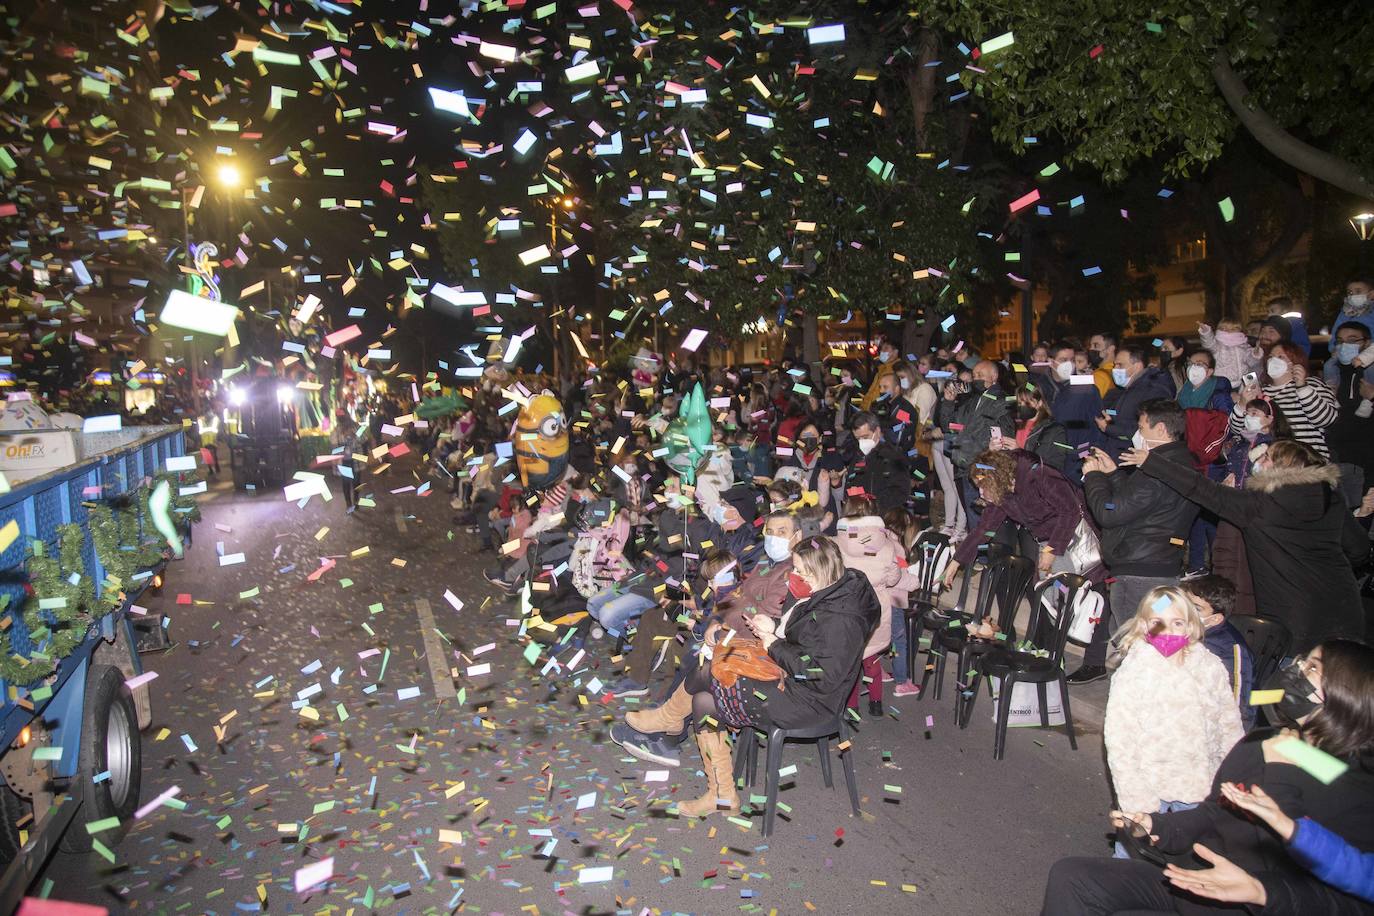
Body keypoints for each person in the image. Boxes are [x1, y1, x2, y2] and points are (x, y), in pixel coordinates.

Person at [1042, 639, 1374, 915]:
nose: (1296, 670)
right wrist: (1159, 827)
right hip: (1195, 880)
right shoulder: (1267, 740)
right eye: (1303, 661)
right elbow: (1217, 811)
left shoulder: (1353, 789)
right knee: (1073, 877)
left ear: (1346, 699)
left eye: (1313, 669)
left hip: (1254, 903)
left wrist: (1261, 892)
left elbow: (1347, 901)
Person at [672, 538, 880, 817]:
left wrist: (773, 644)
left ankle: (671, 724)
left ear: (816, 571)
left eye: (798, 570)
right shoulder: (830, 590)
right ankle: (720, 793)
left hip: (808, 702)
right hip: (791, 681)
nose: (792, 575)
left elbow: (822, 675)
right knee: (704, 697)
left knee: (708, 682)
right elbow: (807, 641)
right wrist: (774, 630)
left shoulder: (842, 618)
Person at [1123, 437, 1368, 651]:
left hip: (1293, 619)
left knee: (1280, 695)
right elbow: (1359, 550)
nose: (1260, 460)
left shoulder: (1260, 505)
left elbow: (1203, 489)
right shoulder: (1332, 500)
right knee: (1334, 695)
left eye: (1269, 457)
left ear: (1284, 468)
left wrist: (1151, 461)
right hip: (1345, 609)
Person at [609, 511, 805, 765]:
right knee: (692, 647)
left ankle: (667, 732)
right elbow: (737, 596)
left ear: (797, 536)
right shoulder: (767, 562)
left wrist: (720, 627)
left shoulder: (792, 572)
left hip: (755, 646)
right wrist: (715, 621)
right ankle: (665, 727)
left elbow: (761, 618)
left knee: (696, 656)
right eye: (770, 532)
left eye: (782, 532)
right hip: (733, 632)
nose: (774, 538)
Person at [1071, 399, 1200, 684]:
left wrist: (1093, 478)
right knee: (1157, 643)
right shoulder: (1176, 464)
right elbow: (1137, 505)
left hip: (1138, 569)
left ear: (1161, 429)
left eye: (1141, 427)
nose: (1137, 433)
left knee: (1134, 648)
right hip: (1160, 562)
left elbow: (1110, 512)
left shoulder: (1158, 469)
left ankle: (1139, 709)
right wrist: (1113, 475)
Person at [1102, 586, 1243, 845]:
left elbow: (1229, 722)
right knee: (1135, 857)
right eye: (1158, 622)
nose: (1167, 630)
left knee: (1189, 855)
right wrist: (1136, 801)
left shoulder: (1210, 667)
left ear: (1191, 626)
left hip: (1200, 781)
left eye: (1177, 622)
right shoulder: (1135, 671)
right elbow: (1120, 739)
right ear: (1145, 626)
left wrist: (1231, 773)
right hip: (1150, 781)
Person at [942, 448, 1095, 586]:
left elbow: (1070, 510)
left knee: (1069, 594)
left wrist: (1051, 550)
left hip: (1076, 537)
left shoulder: (1038, 475)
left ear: (996, 479)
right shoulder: (1001, 493)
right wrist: (956, 561)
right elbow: (984, 529)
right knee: (1050, 591)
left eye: (984, 487)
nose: (981, 493)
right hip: (1049, 542)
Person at [833, 496, 906, 717]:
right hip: (876, 607)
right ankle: (876, 703)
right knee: (872, 659)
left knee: (852, 662)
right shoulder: (887, 544)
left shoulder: (836, 543)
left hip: (848, 606)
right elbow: (893, 579)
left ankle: (852, 706)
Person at [1230, 342, 1337, 459]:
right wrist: (1242, 404)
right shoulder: (1260, 392)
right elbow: (1236, 429)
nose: (1273, 361)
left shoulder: (1312, 384)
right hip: (1270, 462)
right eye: (1270, 357)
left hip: (1307, 461)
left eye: (1281, 357)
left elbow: (1325, 420)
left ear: (1295, 362)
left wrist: (1302, 387)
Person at [1180, 574, 1256, 731]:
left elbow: (1238, 700)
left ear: (1214, 619)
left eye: (1196, 608)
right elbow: (1150, 610)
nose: (1186, 611)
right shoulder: (1182, 628)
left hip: (1209, 723)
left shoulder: (1230, 649)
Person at [1324, 321, 1374, 506]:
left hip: (1365, 460)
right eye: (1340, 340)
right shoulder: (1334, 373)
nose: (1345, 345)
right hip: (1337, 457)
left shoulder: (1369, 373)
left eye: (1352, 340)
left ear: (1367, 344)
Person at [1097, 344, 1177, 458]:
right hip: (1120, 453)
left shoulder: (1153, 391)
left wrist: (1109, 428)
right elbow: (1125, 418)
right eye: (1115, 365)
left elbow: (1146, 431)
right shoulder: (1128, 389)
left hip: (1133, 458)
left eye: (1120, 365)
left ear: (1137, 366)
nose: (1115, 369)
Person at [847, 411, 910, 513]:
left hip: (884, 517)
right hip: (860, 516)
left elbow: (901, 491)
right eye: (858, 439)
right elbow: (850, 485)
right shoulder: (857, 456)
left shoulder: (893, 456)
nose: (861, 442)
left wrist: (874, 505)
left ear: (877, 431)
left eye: (865, 437)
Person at [1008, 382, 1070, 475]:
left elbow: (1054, 466)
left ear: (1040, 403)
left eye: (1027, 403)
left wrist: (1020, 452)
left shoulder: (1054, 430)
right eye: (1020, 403)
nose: (1022, 406)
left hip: (1037, 483)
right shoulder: (1015, 425)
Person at [1198, 319, 1263, 390]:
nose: (1228, 331)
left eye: (1233, 329)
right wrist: (1206, 332)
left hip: (1243, 381)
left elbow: (1252, 363)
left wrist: (1255, 353)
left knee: (1253, 389)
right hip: (1222, 383)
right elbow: (1208, 343)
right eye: (1224, 328)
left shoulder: (1244, 345)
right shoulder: (1217, 345)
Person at [1177, 349, 1234, 414]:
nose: (1192, 367)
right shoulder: (1185, 389)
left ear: (1209, 372)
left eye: (1198, 364)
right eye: (1190, 363)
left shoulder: (1219, 398)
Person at [1089, 332, 1119, 398]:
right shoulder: (1119, 372)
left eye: (1096, 345)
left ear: (1110, 349)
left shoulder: (1099, 376)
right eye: (1090, 345)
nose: (1091, 349)